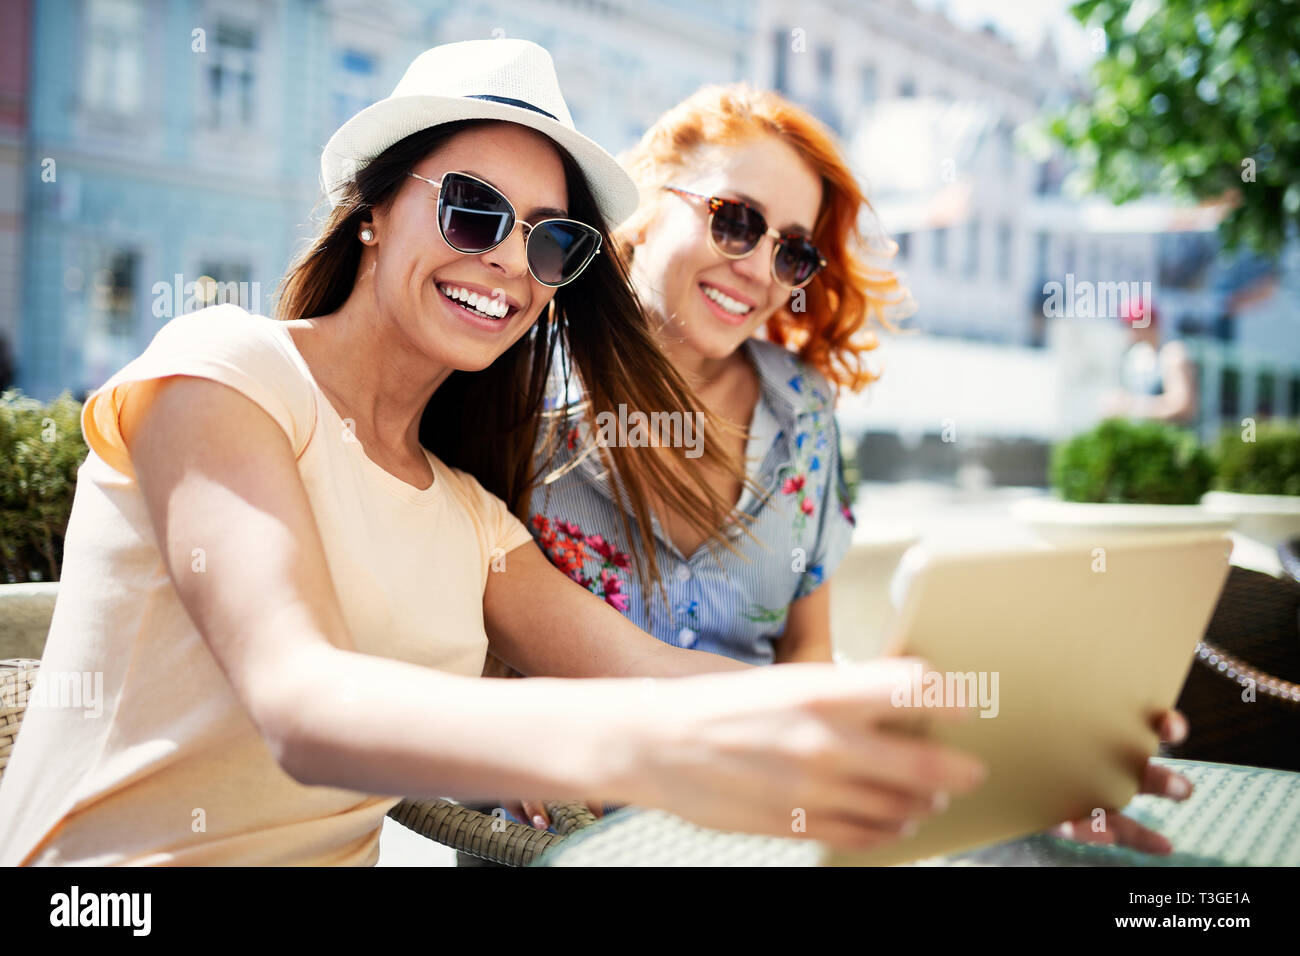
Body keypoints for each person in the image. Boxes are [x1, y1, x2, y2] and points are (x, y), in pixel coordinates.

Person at [0, 41, 987, 866]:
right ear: (373, 210)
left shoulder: (469, 509)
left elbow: (652, 670)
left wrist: (974, 737)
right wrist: (650, 749)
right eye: (471, 208)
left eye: (550, 241)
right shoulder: (223, 366)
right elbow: (298, 701)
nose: (511, 260)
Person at [512, 84, 1194, 854]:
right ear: (646, 198)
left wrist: (1016, 755)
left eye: (792, 251)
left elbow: (808, 648)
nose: (760, 269)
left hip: (766, 799)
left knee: (1030, 849)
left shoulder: (804, 409)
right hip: (580, 816)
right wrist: (499, 712)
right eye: (736, 220)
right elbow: (454, 605)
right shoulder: (516, 371)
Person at [1103, 299, 1197, 423]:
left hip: (1169, 438)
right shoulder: (1137, 354)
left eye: (1132, 326)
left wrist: (1131, 405)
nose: (1128, 332)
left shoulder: (1172, 353)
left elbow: (1183, 407)